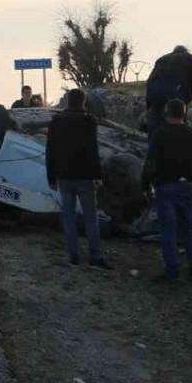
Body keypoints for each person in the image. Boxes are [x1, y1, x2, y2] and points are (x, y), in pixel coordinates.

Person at [142, 99, 192, 281]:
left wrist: (145, 185)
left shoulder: (159, 135)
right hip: (188, 187)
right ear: (184, 113)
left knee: (168, 230)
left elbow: (150, 163)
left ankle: (172, 270)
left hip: (165, 187)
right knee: (189, 228)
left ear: (166, 113)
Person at [46, 88, 111, 269]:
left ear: (67, 101)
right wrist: (98, 175)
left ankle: (73, 256)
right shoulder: (89, 121)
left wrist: (51, 177)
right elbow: (93, 150)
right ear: (83, 102)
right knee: (91, 217)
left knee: (69, 217)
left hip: (64, 176)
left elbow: (50, 151)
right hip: (85, 176)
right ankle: (95, 257)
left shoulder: (56, 121)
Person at [144, 45, 192, 148]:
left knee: (155, 126)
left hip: (155, 96)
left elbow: (150, 81)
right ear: (185, 51)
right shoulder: (189, 58)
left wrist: (148, 106)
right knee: (177, 124)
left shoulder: (161, 60)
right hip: (176, 95)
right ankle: (180, 150)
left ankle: (153, 153)